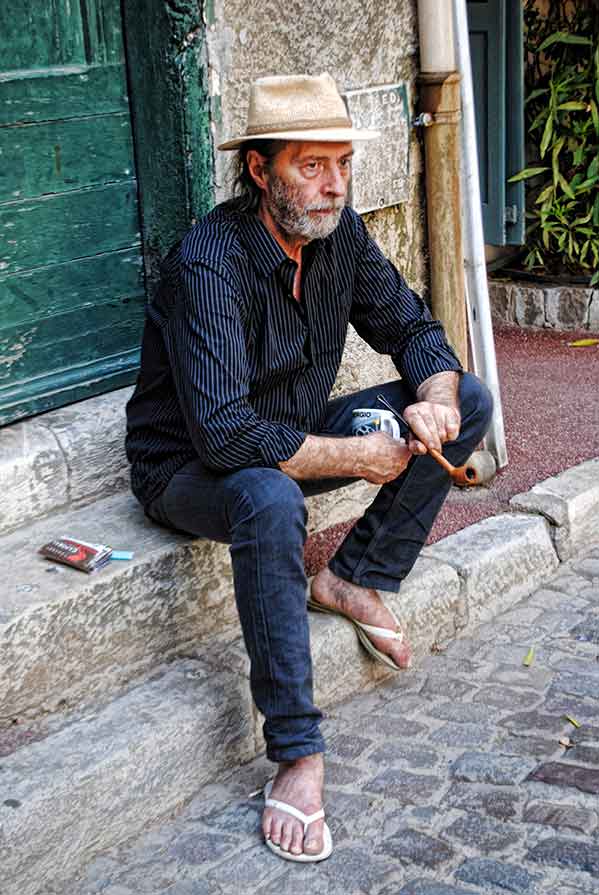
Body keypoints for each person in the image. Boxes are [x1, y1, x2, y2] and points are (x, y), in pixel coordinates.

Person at [125, 73, 493, 863]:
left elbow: (415, 330)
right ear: (259, 171)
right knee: (265, 497)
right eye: (309, 166)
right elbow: (224, 436)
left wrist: (434, 399)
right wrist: (359, 456)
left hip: (289, 433)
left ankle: (353, 576)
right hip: (185, 466)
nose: (332, 185)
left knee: (471, 395)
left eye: (341, 164)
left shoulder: (340, 236)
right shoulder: (208, 263)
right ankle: (297, 750)